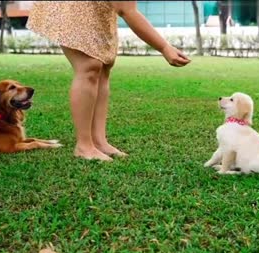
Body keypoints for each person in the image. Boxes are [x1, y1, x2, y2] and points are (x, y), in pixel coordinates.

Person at [27, 1, 190, 161]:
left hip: (96, 9)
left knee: (102, 67)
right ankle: (84, 145)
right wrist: (164, 47)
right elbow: (127, 10)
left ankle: (99, 141)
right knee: (89, 66)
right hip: (72, 7)